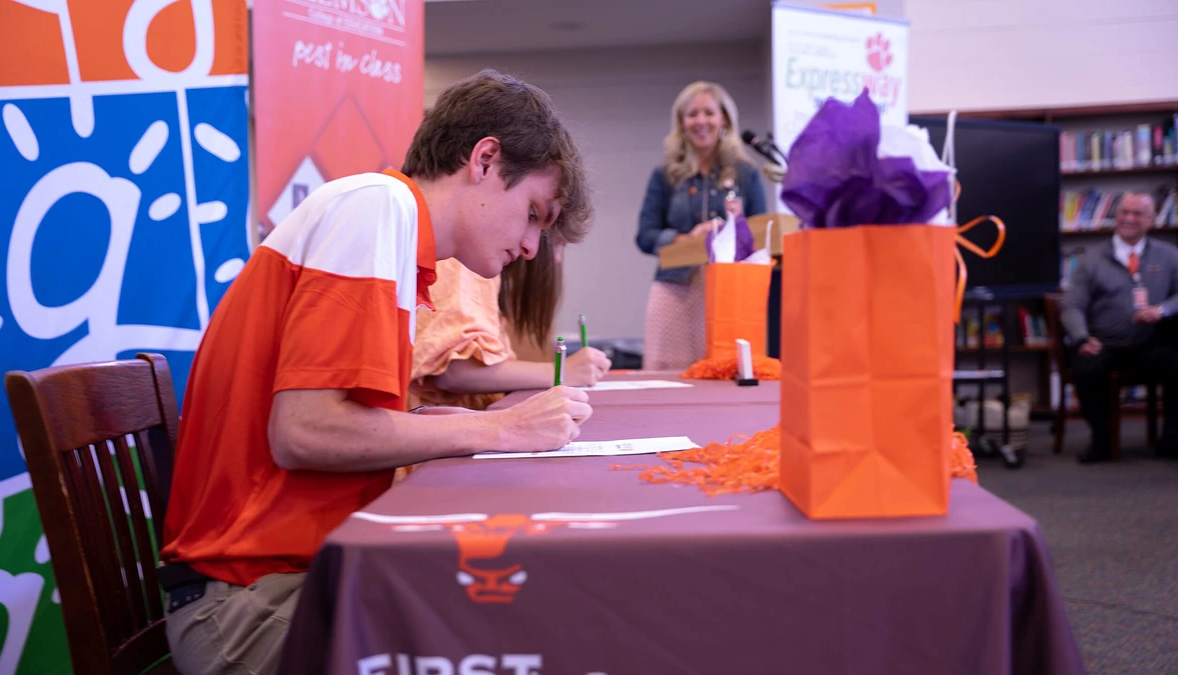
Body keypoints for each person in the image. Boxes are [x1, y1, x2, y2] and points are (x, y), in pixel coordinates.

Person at [158, 69, 594, 675]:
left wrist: (426, 423)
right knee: (522, 635)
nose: (530, 247)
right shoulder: (375, 208)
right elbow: (304, 432)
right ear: (485, 160)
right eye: (533, 214)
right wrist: (500, 429)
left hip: (284, 578)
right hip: (247, 605)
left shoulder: (392, 231)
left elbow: (320, 421)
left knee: (511, 620)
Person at [635, 81, 768, 371]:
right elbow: (645, 236)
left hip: (730, 288)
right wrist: (688, 239)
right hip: (676, 285)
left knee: (726, 371)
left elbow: (761, 234)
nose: (701, 121)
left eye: (709, 112)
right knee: (667, 374)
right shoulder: (666, 175)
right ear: (682, 123)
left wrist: (729, 234)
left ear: (724, 119)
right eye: (692, 114)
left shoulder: (746, 174)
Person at [410, 235, 611, 412]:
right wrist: (560, 371)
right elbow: (454, 373)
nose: (557, 258)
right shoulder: (464, 264)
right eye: (559, 244)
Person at [1061, 192, 1178, 463]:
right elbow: (1072, 305)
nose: (1129, 219)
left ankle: (1171, 440)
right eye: (1124, 212)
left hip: (1151, 343)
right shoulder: (1092, 259)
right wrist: (1082, 338)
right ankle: (1102, 442)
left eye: (1137, 214)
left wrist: (1161, 310)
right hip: (1104, 344)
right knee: (1085, 366)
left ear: (1151, 220)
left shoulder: (1169, 255)